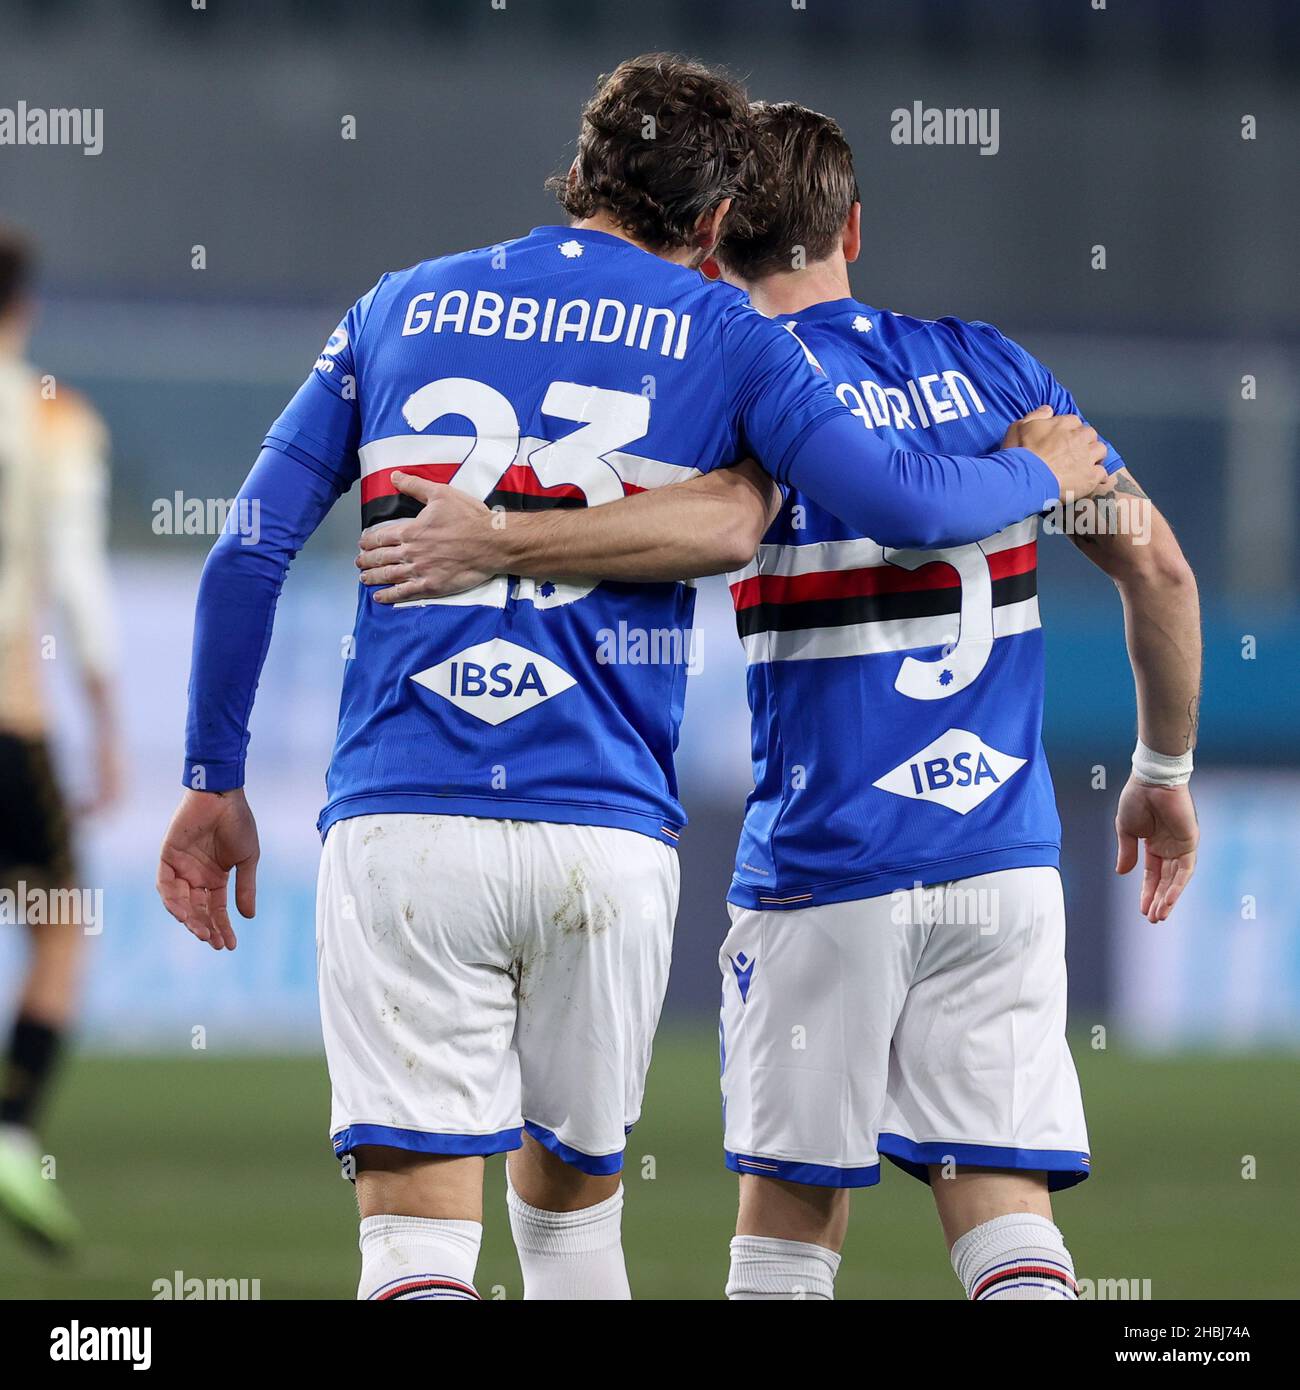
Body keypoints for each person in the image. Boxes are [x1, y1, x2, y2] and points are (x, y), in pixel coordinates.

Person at [157, 57, 1105, 1302]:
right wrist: (1044, 473)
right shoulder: (725, 335)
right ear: (715, 226)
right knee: (570, 1234)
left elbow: (249, 549)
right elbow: (903, 501)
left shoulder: (399, 307)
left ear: (583, 168)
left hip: (403, 811)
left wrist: (211, 780)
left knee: (415, 1242)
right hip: (602, 835)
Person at [355, 102, 1200, 1301]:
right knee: (1006, 1217)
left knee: (787, 1241)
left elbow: (697, 525)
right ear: (853, 224)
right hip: (1000, 856)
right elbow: (1158, 567)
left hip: (826, 865)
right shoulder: (999, 372)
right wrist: (1160, 773)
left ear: (711, 242)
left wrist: (499, 537)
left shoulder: (737, 380)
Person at [0, 224, 121, 1250]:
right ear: (24, 306)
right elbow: (77, 583)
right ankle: (9, 1129)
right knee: (62, 920)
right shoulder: (51, 418)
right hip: (9, 716)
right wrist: (111, 724)